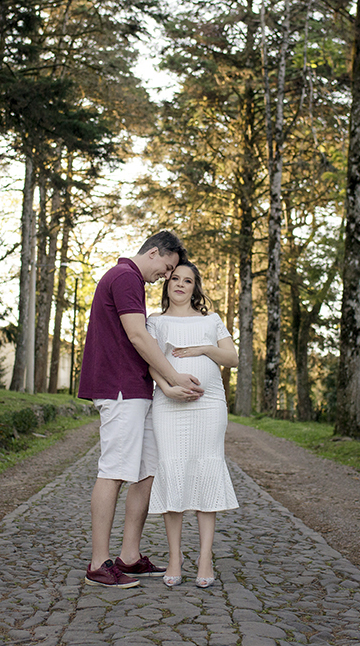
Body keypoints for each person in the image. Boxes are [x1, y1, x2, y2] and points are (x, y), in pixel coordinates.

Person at [77, 231, 205, 588]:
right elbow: (138, 335)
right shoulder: (125, 277)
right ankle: (99, 563)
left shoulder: (129, 279)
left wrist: (163, 384)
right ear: (152, 253)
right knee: (114, 470)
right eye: (166, 268)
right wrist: (174, 375)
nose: (165, 277)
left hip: (136, 390)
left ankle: (129, 557)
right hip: (119, 390)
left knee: (147, 470)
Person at [146, 259, 239, 589]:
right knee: (173, 470)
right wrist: (168, 387)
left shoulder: (211, 320)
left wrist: (201, 348)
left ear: (195, 287)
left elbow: (232, 357)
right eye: (175, 278)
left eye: (188, 280)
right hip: (168, 405)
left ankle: (204, 556)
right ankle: (174, 556)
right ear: (167, 283)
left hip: (209, 405)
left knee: (205, 471)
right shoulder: (154, 322)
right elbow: (149, 362)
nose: (181, 284)